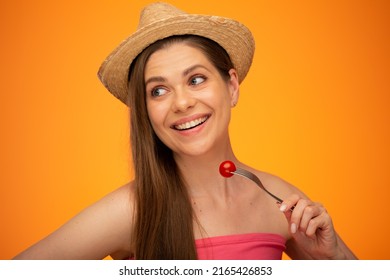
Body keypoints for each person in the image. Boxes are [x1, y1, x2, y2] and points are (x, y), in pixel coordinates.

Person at [13, 2, 357, 260]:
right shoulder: (132, 210)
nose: (181, 103)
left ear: (232, 86)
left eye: (196, 79)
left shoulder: (280, 202)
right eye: (158, 90)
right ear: (146, 111)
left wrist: (334, 256)